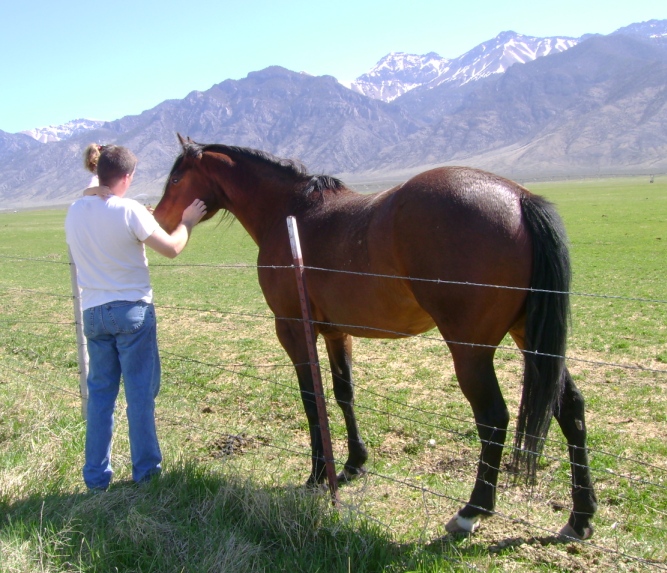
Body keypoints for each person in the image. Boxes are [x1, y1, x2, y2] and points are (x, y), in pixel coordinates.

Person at [65, 144, 207, 491]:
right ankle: (146, 475)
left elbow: (102, 219)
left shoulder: (73, 211)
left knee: (101, 396)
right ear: (126, 177)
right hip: (132, 313)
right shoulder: (129, 211)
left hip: (94, 314)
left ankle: (96, 478)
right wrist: (187, 222)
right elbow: (172, 248)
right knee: (140, 395)